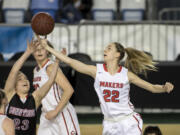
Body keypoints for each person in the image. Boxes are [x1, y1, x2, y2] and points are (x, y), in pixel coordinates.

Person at [39, 39, 174, 135]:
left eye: (109, 48)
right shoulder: (97, 71)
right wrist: (48, 48)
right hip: (109, 123)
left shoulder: (126, 75)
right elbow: (70, 61)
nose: (105, 50)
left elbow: (150, 87)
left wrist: (163, 88)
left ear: (117, 55)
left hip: (128, 121)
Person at [4, 39, 59, 135]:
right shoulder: (9, 95)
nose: (25, 80)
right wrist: (27, 52)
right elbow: (14, 71)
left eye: (26, 78)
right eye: (20, 79)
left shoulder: (34, 98)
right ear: (14, 86)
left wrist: (57, 62)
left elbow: (50, 82)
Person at [32, 39, 80, 135]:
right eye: (36, 49)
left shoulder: (50, 67)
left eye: (42, 48)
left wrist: (56, 111)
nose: (39, 51)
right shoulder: (36, 70)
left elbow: (69, 90)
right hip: (46, 114)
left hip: (61, 112)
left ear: (48, 51)